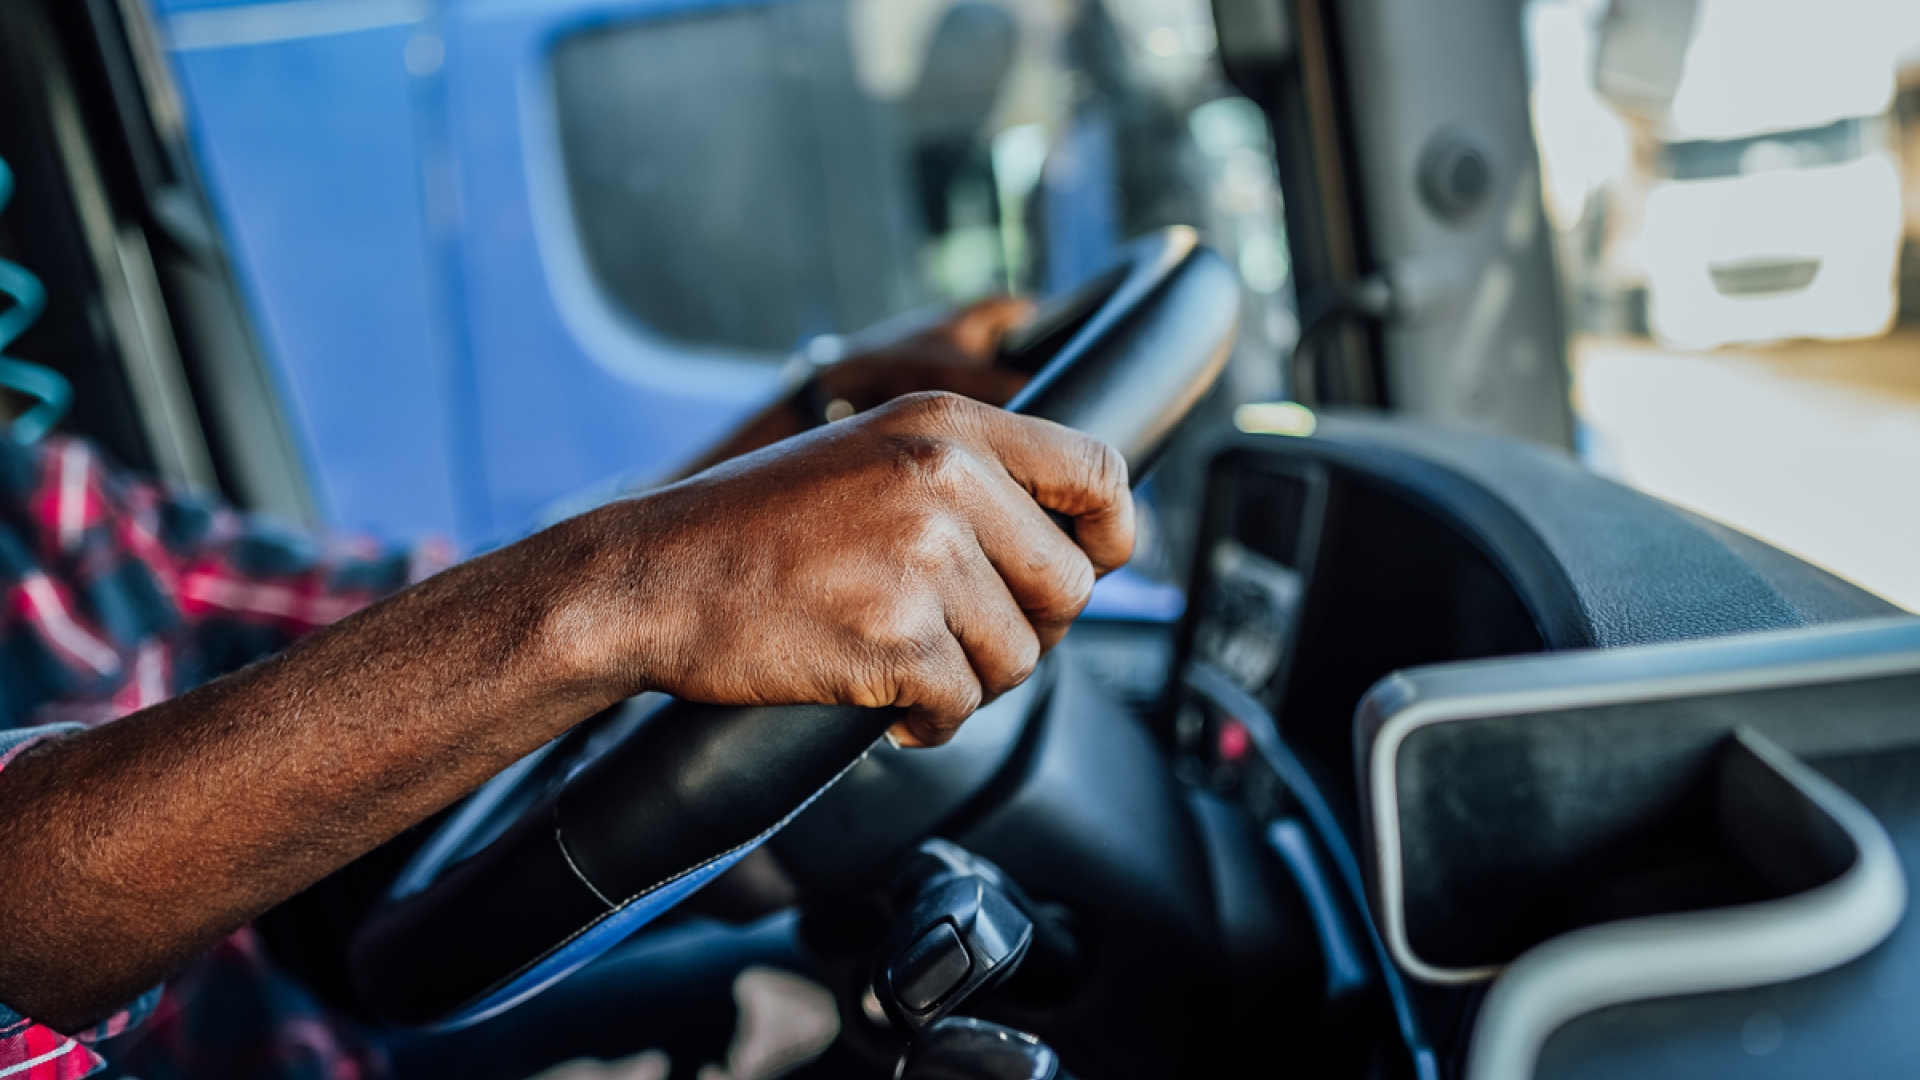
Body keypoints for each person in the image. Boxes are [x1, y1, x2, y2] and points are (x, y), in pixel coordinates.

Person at [0, 297, 1135, 1080]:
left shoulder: (44, 505)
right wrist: (624, 595)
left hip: (329, 1030)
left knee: (824, 975)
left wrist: (827, 407)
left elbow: (408, 620)